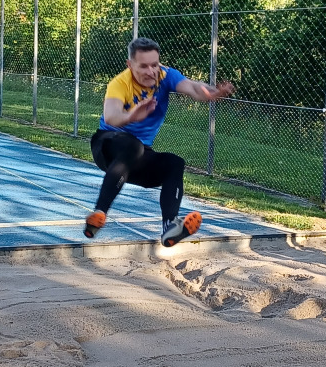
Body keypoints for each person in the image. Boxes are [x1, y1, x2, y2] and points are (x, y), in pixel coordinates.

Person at [85, 37, 234, 247]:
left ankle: (170, 227)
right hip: (108, 145)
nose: (151, 71)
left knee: (174, 163)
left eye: (154, 65)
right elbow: (111, 116)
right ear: (130, 65)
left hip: (137, 154)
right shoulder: (119, 83)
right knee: (133, 146)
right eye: (143, 66)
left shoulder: (166, 76)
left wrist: (212, 93)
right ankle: (99, 213)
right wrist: (132, 116)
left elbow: (192, 87)